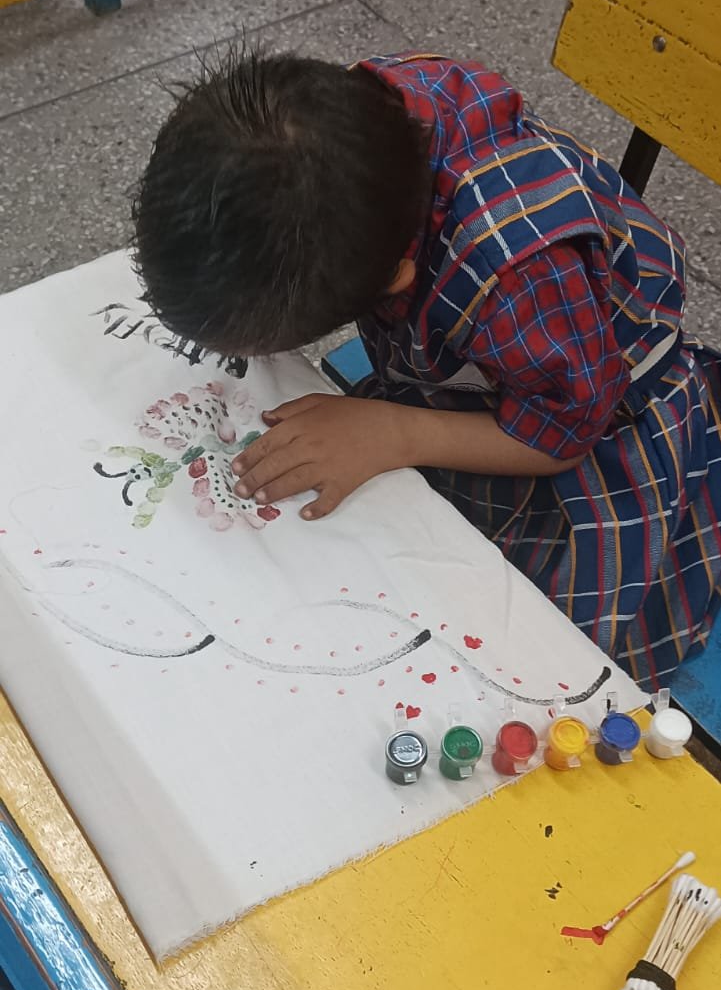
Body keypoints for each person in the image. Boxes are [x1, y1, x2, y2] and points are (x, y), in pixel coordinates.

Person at [132, 48, 721, 691]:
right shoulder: (356, 123)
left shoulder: (516, 274)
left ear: (394, 281)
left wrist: (395, 432)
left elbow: (565, 432)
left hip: (596, 410)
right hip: (498, 355)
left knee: (521, 659)